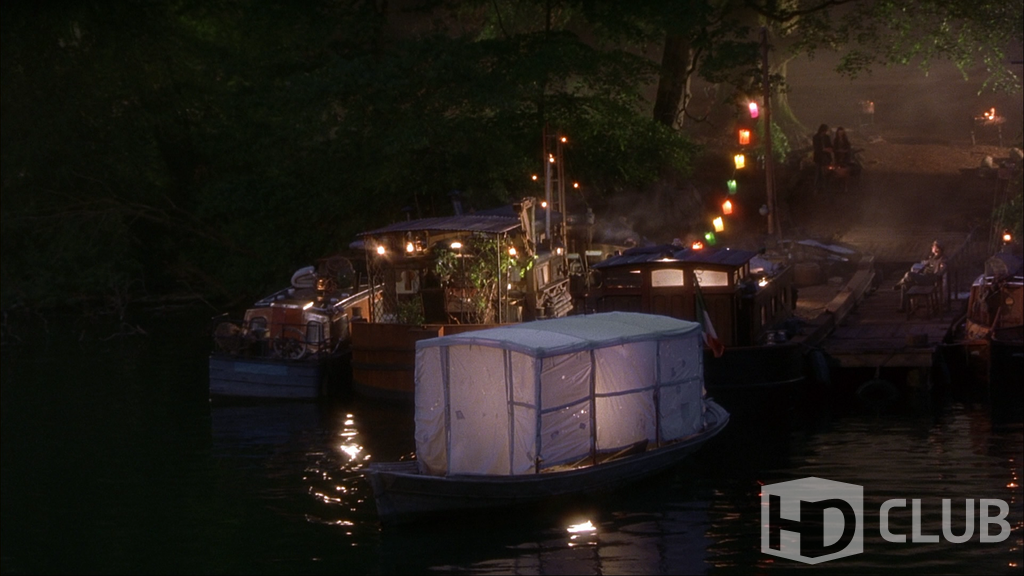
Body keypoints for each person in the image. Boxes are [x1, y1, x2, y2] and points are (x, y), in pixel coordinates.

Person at [896, 240, 947, 312]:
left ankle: (898, 284)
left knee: (908, 274)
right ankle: (904, 307)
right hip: (924, 276)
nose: (932, 247)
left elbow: (942, 270)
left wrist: (937, 274)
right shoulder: (933, 257)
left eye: (933, 246)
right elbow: (926, 263)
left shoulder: (942, 259)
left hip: (929, 280)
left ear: (938, 249)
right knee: (905, 284)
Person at [812, 124, 833, 193]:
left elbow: (830, 145)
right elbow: (816, 148)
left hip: (826, 157)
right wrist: (824, 149)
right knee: (818, 172)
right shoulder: (816, 137)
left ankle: (824, 186)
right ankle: (816, 187)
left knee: (826, 172)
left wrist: (830, 149)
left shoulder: (827, 137)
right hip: (819, 157)